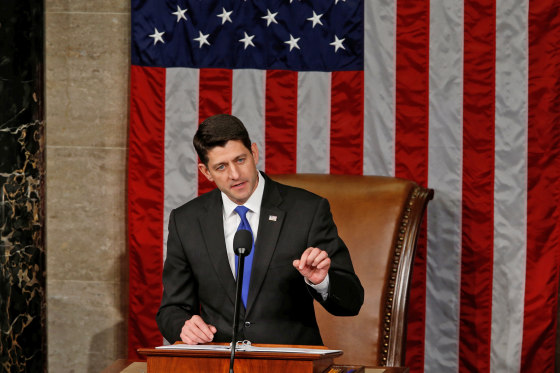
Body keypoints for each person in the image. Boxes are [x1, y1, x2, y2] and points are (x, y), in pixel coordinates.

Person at [156, 114, 364, 346]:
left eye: (240, 160)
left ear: (254, 153)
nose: (234, 175)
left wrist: (322, 281)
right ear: (206, 172)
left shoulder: (307, 211)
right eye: (221, 167)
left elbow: (351, 302)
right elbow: (172, 309)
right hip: (219, 363)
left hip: (291, 365)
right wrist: (183, 326)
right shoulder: (186, 221)